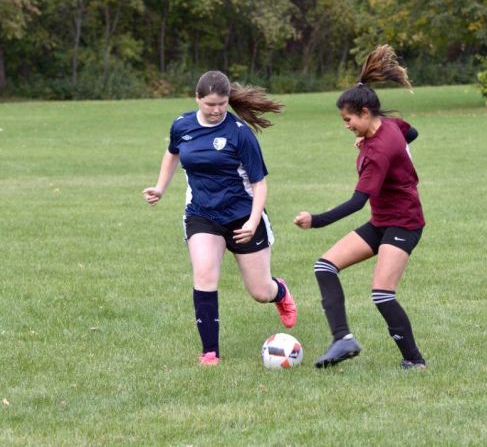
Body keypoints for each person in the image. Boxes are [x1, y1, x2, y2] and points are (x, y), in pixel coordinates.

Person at [144, 71, 296, 366]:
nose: (216, 111)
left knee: (260, 291)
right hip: (201, 214)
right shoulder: (182, 125)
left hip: (243, 216)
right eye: (210, 104)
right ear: (197, 98)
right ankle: (210, 351)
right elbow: (172, 153)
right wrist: (160, 188)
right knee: (204, 275)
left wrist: (252, 223)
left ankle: (280, 291)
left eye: (222, 104)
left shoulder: (240, 133)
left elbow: (259, 184)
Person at [294, 45, 426, 369]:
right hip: (382, 220)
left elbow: (357, 201)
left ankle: (415, 361)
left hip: (404, 223)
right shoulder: (390, 125)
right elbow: (412, 132)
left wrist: (317, 220)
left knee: (382, 294)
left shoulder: (379, 150)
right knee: (325, 266)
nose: (346, 125)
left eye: (348, 119)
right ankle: (343, 339)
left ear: (365, 114)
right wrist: (377, 143)